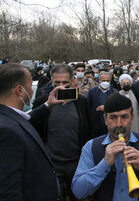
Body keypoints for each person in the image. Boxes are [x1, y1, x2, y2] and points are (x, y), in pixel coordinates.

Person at [72, 93, 139, 201]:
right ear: (105, 119)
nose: (119, 124)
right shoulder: (90, 147)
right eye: (113, 117)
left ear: (132, 118)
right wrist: (104, 164)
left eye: (124, 117)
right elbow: (78, 191)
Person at [0, 63, 62, 200]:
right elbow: (7, 191)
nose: (32, 90)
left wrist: (47, 105)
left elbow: (25, 121)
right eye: (29, 85)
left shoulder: (9, 119)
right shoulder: (5, 131)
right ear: (20, 91)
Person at [33, 64, 93, 201]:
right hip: (51, 164)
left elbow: (89, 130)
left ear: (73, 81)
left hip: (77, 163)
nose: (61, 86)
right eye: (57, 83)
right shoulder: (42, 103)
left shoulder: (82, 102)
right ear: (51, 82)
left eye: (65, 82)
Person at [87, 72, 117, 137]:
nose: (105, 82)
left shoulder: (114, 92)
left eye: (107, 81)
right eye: (103, 80)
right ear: (99, 80)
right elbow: (88, 107)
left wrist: (105, 108)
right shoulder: (92, 92)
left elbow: (117, 107)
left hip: (110, 124)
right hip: (95, 125)